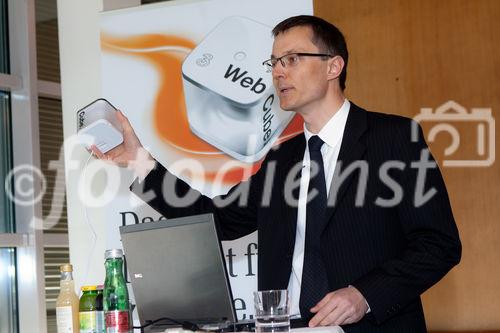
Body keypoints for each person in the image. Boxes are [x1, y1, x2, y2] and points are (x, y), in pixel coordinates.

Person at [92, 15, 461, 333]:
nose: (278, 71)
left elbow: (438, 245)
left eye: (293, 59)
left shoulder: (393, 139)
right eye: (274, 63)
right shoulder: (282, 160)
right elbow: (215, 218)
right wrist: (138, 160)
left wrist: (365, 295)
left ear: (334, 66)